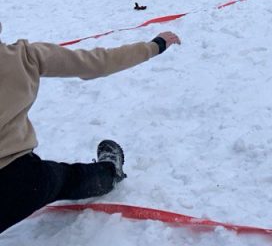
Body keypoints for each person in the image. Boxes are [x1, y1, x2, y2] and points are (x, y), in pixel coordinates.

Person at [0, 19, 181, 235]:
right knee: (71, 179)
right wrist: (155, 46)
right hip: (19, 181)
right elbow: (96, 62)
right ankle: (110, 172)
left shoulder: (26, 56)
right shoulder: (24, 56)